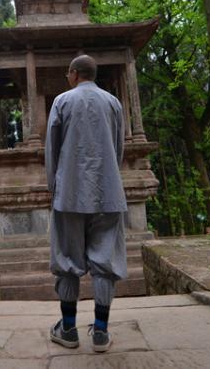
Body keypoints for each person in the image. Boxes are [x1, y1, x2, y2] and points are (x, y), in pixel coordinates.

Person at [45, 54, 126, 353]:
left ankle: (68, 329)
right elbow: (118, 149)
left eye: (68, 73)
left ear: (75, 73)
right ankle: (101, 332)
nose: (67, 78)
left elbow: (52, 151)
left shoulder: (62, 102)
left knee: (67, 261)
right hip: (108, 192)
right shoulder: (113, 103)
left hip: (69, 194)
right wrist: (110, 179)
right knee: (105, 263)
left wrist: (54, 188)